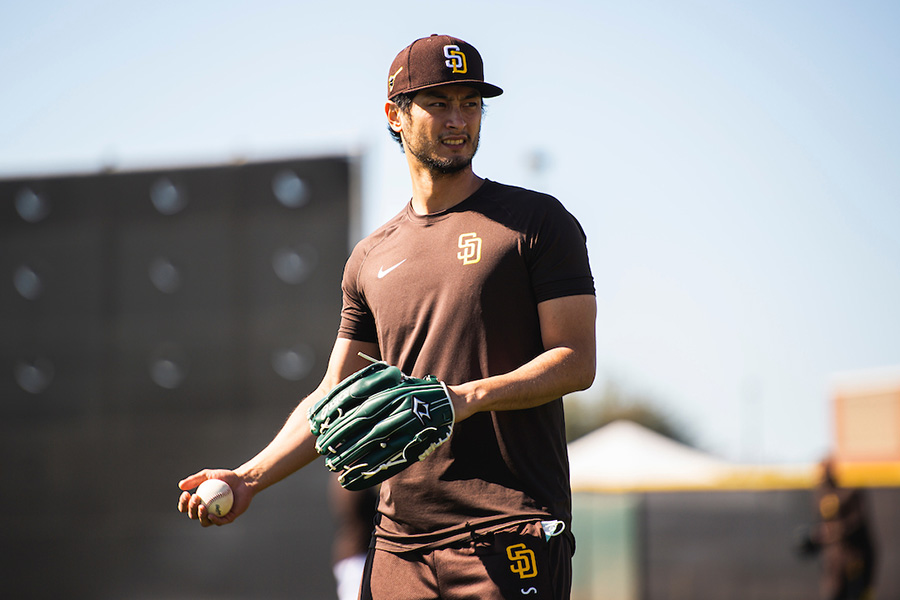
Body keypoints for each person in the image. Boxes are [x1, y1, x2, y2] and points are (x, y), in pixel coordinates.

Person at [178, 34, 596, 600]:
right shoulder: (370, 258)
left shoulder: (537, 221)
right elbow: (333, 394)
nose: (459, 120)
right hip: (398, 544)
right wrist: (247, 477)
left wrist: (463, 398)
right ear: (395, 116)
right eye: (440, 102)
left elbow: (576, 361)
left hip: (508, 528)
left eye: (472, 103)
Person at [810, 457, 877, 600]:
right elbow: (824, 528)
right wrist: (817, 538)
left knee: (857, 594)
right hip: (834, 561)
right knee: (834, 593)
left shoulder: (850, 493)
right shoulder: (822, 494)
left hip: (854, 558)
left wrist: (832, 533)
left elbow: (854, 524)